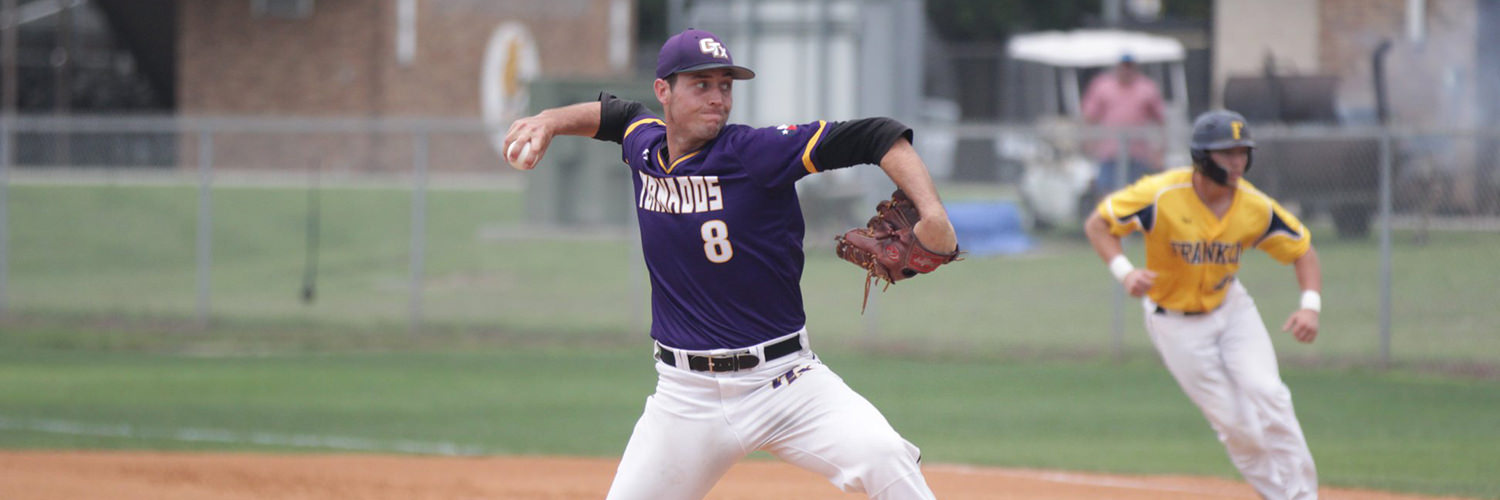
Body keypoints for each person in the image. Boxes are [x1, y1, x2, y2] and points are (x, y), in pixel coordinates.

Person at [503, 29, 956, 500]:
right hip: (684, 398)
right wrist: (550, 120)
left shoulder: (754, 153)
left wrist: (934, 215)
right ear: (664, 91)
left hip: (786, 383)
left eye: (726, 85)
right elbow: (616, 115)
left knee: (884, 456)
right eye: (702, 84)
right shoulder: (645, 147)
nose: (718, 97)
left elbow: (876, 136)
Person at [1083, 109, 1322, 500]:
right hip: (1175, 324)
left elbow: (1303, 249)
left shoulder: (1253, 205)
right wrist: (1125, 271)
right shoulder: (1160, 194)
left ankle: (1302, 497)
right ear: (1201, 156)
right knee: (1237, 427)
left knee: (1269, 394)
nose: (1237, 161)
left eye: (1243, 152)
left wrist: (1309, 305)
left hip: (1232, 310)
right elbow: (1099, 224)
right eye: (1226, 153)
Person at [1081, 54, 1167, 197]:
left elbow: (1160, 120)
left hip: (1138, 153)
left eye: (1129, 66)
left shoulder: (1147, 88)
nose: (1126, 70)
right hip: (1109, 153)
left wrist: (1159, 150)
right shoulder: (1102, 86)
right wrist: (1089, 142)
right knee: (1107, 194)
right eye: (1123, 66)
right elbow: (1090, 116)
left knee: (1136, 194)